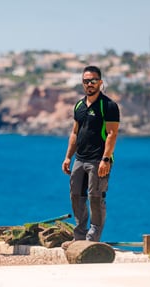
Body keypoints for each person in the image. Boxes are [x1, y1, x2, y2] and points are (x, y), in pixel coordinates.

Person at [61, 66, 120, 247]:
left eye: (93, 81)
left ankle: (93, 236)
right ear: (82, 83)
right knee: (76, 195)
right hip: (80, 158)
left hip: (98, 160)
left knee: (95, 197)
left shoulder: (108, 106)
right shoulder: (79, 105)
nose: (90, 84)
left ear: (100, 83)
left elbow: (112, 134)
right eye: (86, 81)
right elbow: (74, 133)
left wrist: (106, 159)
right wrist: (68, 157)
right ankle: (79, 235)